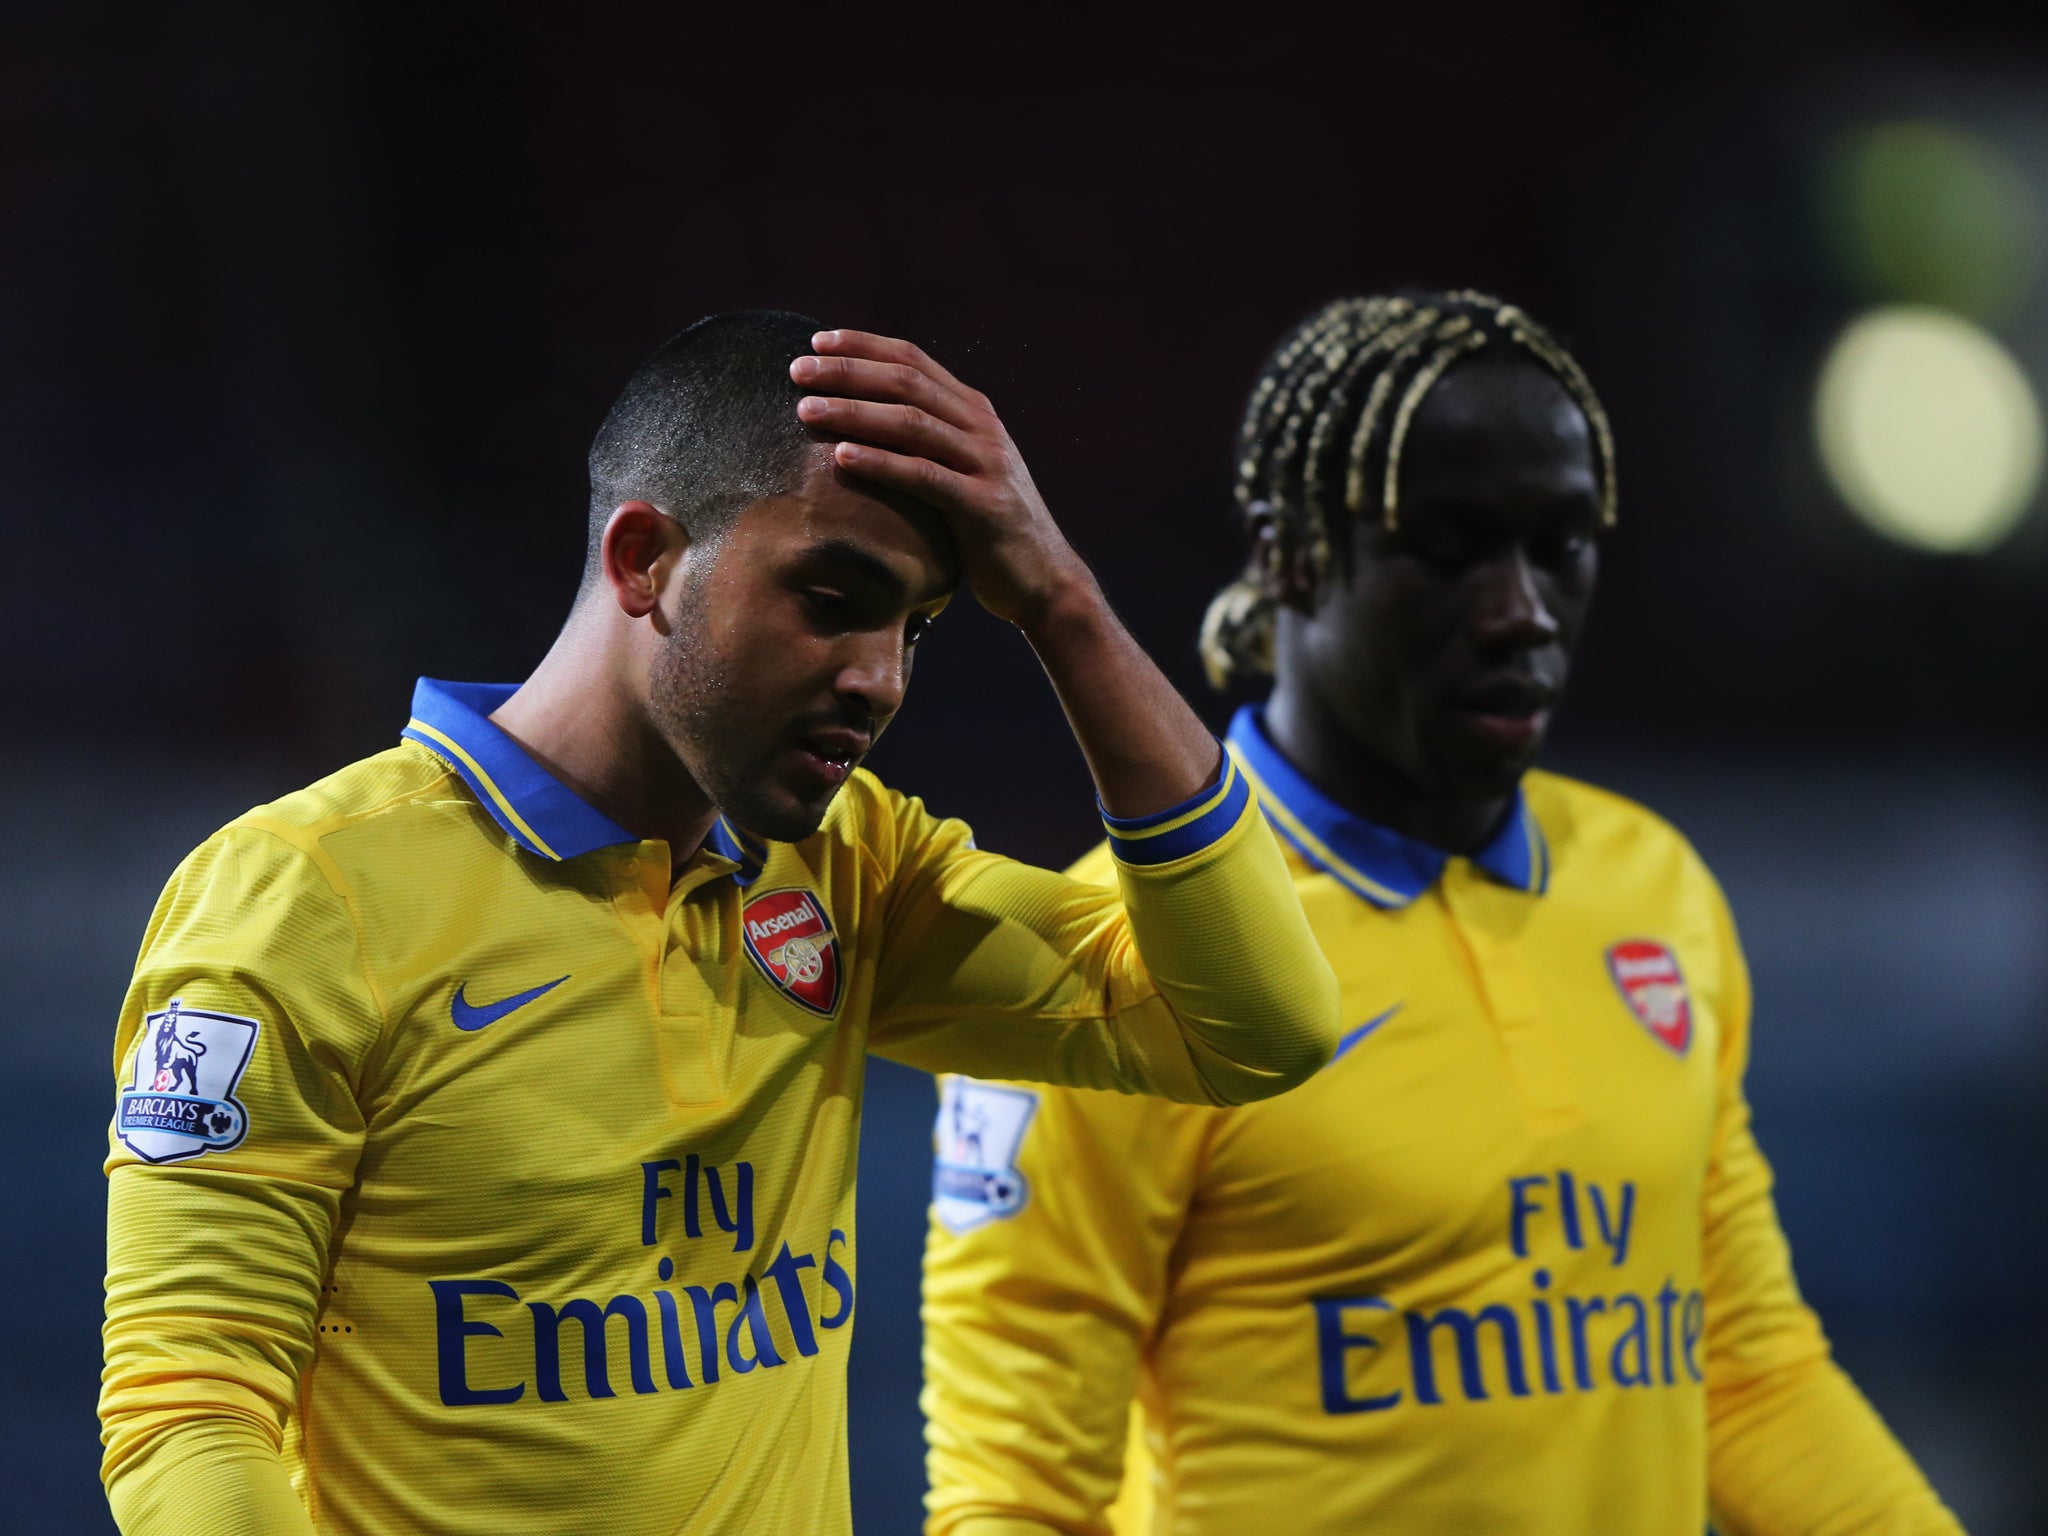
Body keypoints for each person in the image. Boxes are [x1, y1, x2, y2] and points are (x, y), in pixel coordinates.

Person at [98, 311, 1342, 1536]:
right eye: (831, 596)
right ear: (644, 559)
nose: (882, 679)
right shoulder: (307, 899)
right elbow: (190, 1406)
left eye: (915, 628)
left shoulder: (852, 872)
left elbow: (1253, 1029)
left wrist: (1062, 605)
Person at [921, 291, 1964, 1535]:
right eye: (1449, 548)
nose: (1519, 609)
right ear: (1290, 551)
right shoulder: (1126, 958)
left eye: (1559, 545)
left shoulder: (1652, 886)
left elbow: (1740, 1367)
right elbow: (1016, 1496)